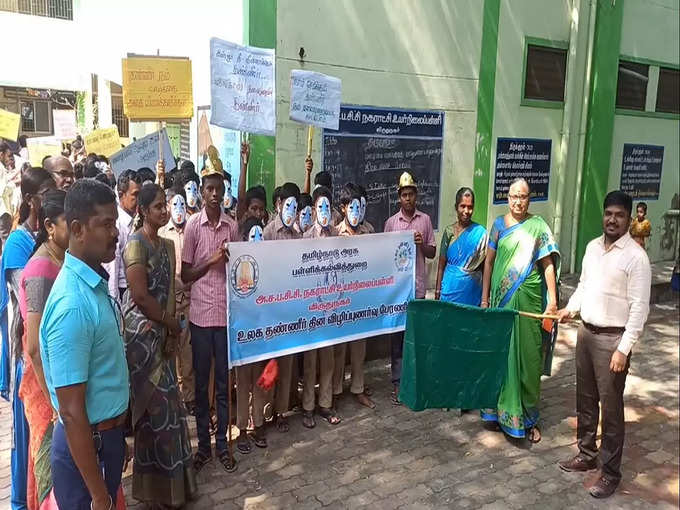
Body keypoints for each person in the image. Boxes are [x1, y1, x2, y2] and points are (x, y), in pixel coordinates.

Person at [40, 179, 129, 510]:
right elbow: (72, 411)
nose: (116, 234)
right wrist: (98, 495)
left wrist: (115, 435)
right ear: (77, 229)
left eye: (115, 223)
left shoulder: (92, 284)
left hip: (102, 439)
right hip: (86, 448)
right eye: (105, 225)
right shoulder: (73, 305)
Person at [557, 190, 651, 499]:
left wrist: (623, 349)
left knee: (611, 410)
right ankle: (586, 454)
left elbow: (640, 308)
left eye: (619, 215)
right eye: (609, 213)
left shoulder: (636, 258)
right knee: (585, 400)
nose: (612, 219)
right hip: (585, 334)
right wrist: (571, 308)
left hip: (613, 340)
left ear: (628, 219)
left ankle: (610, 472)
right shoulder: (592, 247)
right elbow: (584, 286)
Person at [123, 183, 197, 507]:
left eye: (165, 204)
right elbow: (139, 297)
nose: (164, 211)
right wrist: (171, 324)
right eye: (157, 206)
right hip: (143, 339)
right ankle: (155, 494)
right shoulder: (136, 245)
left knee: (171, 412)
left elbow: (174, 285)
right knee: (155, 415)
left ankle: (174, 490)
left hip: (164, 333)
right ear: (142, 211)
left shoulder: (166, 245)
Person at [480, 178, 559, 442]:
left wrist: (553, 301)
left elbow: (548, 264)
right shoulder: (498, 226)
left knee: (528, 357)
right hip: (501, 301)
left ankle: (528, 418)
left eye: (523, 197)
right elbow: (489, 264)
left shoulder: (538, 227)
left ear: (529, 199)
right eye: (514, 196)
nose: (518, 201)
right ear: (507, 197)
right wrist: (484, 298)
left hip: (530, 301)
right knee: (501, 356)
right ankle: (500, 412)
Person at [0, 167, 56, 510]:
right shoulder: (20, 245)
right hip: (29, 358)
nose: (60, 186)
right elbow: (33, 305)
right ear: (33, 200)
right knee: (30, 440)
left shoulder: (41, 239)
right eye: (51, 186)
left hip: (47, 355)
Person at [181, 165, 238, 473]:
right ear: (201, 192)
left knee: (223, 385)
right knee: (202, 385)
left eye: (219, 189)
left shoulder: (232, 226)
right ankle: (203, 446)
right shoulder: (193, 227)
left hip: (225, 315)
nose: (215, 194)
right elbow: (185, 274)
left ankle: (223, 444)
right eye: (209, 189)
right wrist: (211, 261)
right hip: (201, 317)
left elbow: (241, 266)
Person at [18, 190, 67, 510]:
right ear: (50, 226)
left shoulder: (61, 259)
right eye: (70, 222)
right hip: (44, 383)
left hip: (61, 373)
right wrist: (53, 402)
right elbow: (34, 346)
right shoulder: (39, 270)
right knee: (49, 460)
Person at [384, 172, 436, 405]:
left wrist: (421, 244)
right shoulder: (391, 223)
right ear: (399, 197)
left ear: (416, 196)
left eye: (411, 194)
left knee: (416, 334)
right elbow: (384, 255)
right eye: (404, 195)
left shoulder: (424, 220)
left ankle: (414, 378)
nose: (407, 198)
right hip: (397, 291)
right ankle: (397, 381)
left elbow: (432, 252)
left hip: (416, 288)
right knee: (397, 338)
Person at [332, 183, 376, 409]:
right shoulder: (334, 231)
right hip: (339, 298)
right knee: (339, 348)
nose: (357, 212)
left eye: (360, 206)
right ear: (343, 208)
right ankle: (337, 389)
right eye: (352, 207)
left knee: (360, 347)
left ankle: (358, 387)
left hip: (361, 298)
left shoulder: (369, 231)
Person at [301, 185, 341, 428]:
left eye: (328, 206)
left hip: (332, 305)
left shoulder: (338, 236)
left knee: (328, 358)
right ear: (314, 211)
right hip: (310, 307)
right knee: (310, 360)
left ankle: (325, 404)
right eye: (320, 207)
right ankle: (307, 407)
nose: (324, 211)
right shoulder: (305, 237)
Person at [263, 182, 301, 432]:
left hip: (290, 307)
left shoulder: (298, 235)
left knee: (287, 363)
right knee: (270, 364)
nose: (292, 211)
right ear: (278, 205)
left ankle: (282, 410)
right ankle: (266, 411)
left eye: (296, 207)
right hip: (270, 309)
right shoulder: (267, 233)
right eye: (288, 205)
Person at [235, 216, 269, 454]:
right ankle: (242, 428)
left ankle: (258, 423)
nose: (257, 240)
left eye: (261, 235)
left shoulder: (269, 262)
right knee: (243, 380)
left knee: (259, 379)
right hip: (242, 329)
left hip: (263, 327)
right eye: (252, 235)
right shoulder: (239, 263)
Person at [160, 186, 195, 414]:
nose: (180, 209)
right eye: (175, 205)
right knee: (171, 351)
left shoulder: (193, 228)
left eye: (183, 205)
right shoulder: (163, 233)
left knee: (188, 351)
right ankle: (174, 395)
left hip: (191, 299)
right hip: (170, 302)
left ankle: (190, 398)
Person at [434, 187, 487, 305]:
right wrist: (437, 292)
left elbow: (485, 269)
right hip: (448, 290)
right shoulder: (449, 232)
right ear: (456, 207)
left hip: (471, 293)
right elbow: (441, 265)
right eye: (463, 206)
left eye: (470, 207)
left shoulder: (481, 233)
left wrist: (485, 299)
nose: (466, 211)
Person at [105, 169, 141, 303]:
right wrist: (116, 304)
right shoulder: (117, 225)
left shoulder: (138, 220)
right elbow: (112, 269)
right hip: (123, 291)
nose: (138, 200)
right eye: (135, 195)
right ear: (121, 195)